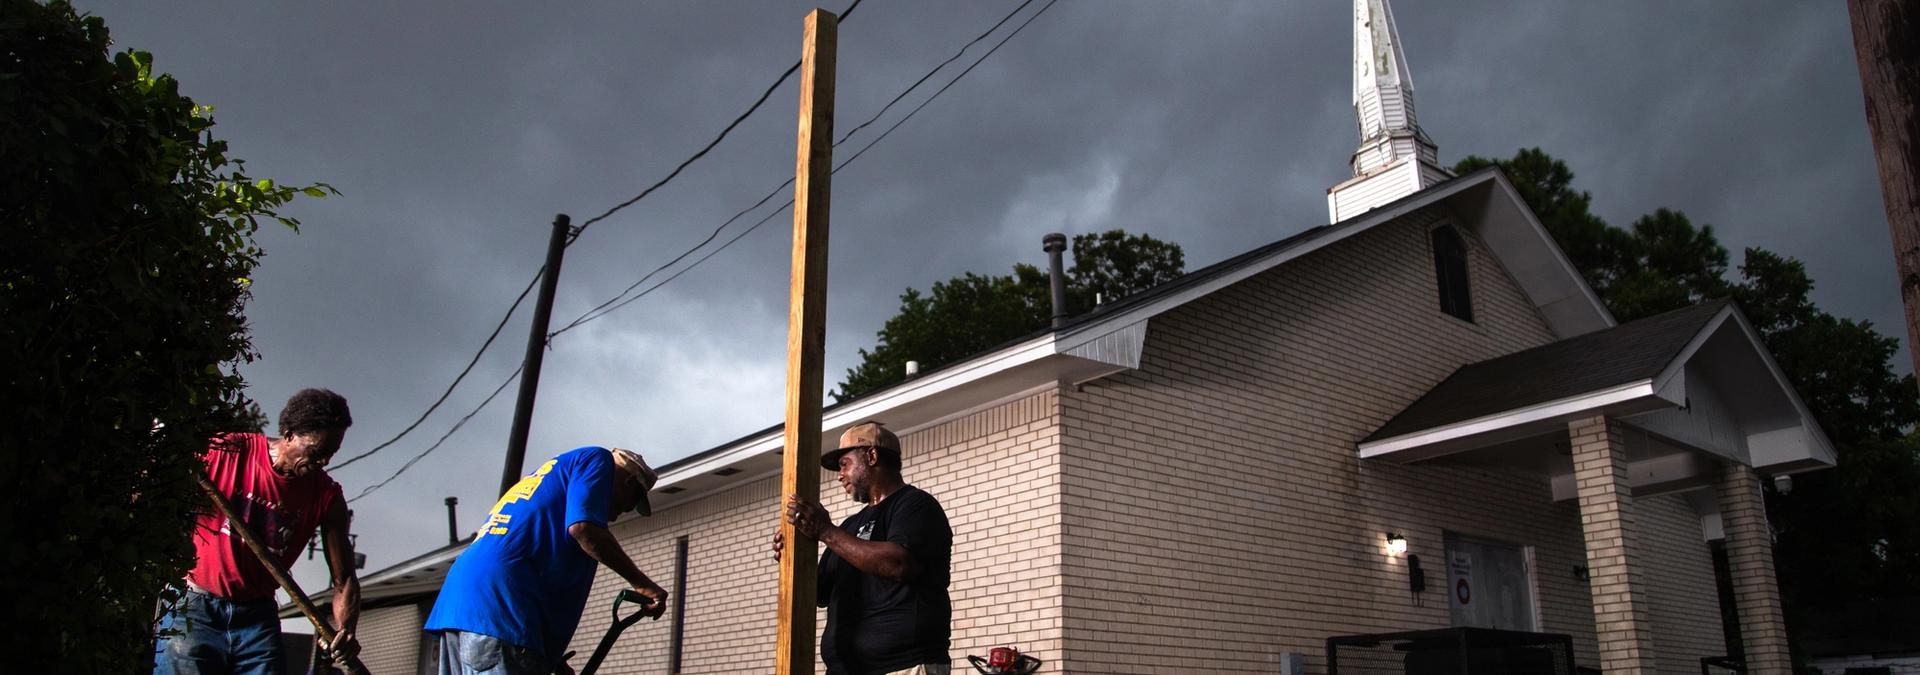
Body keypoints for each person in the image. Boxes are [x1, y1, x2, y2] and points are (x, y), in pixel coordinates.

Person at [157, 388, 362, 675]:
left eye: (331, 454)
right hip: (195, 607)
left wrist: (345, 630)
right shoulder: (227, 451)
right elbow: (158, 477)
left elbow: (344, 581)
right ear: (289, 434)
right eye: (317, 452)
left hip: (257, 619)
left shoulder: (327, 497)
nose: (324, 462)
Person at [426, 446, 668, 675]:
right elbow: (584, 530)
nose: (618, 514)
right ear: (628, 483)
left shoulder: (550, 481)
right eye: (628, 505)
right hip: (502, 610)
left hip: (459, 608)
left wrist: (548, 658)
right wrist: (642, 584)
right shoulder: (597, 459)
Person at [775, 422, 952, 675]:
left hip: (903, 667)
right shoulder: (849, 527)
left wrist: (825, 531)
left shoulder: (916, 506)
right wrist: (792, 556)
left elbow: (898, 564)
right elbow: (819, 593)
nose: (839, 475)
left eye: (844, 464)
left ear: (871, 456)